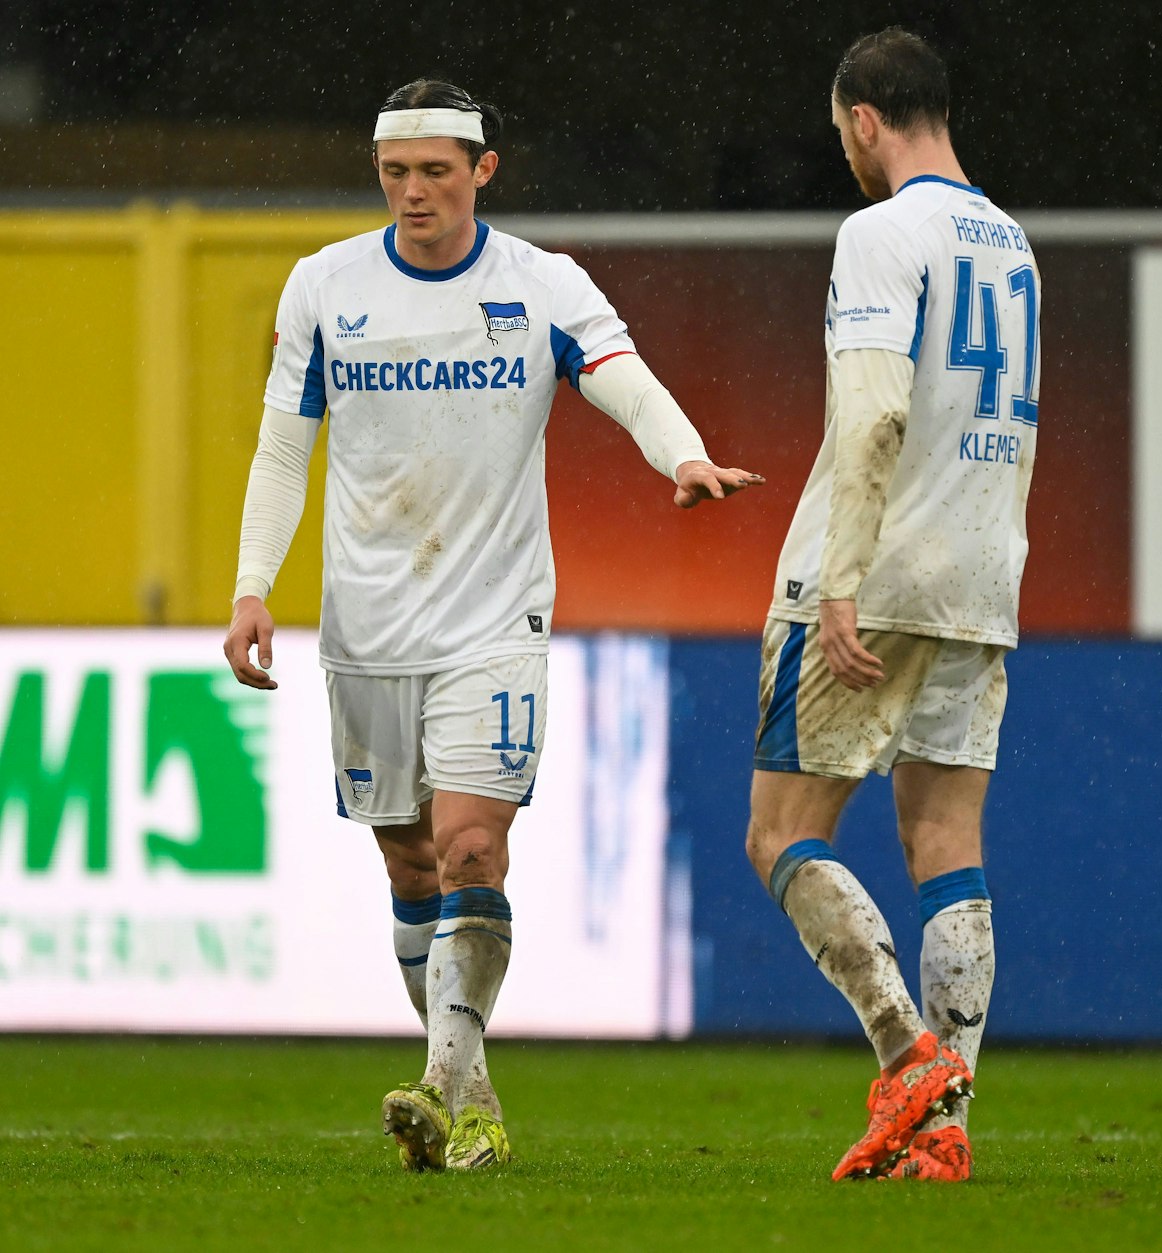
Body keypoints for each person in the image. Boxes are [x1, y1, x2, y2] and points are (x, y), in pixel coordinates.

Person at [220, 78, 760, 1172]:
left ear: (482, 171)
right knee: (412, 868)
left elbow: (622, 375)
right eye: (393, 173)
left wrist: (685, 453)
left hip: (493, 618)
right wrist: (250, 584)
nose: (413, 192)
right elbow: (285, 447)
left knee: (472, 845)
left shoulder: (542, 284)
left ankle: (433, 1081)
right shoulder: (325, 285)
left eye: (434, 171)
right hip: (366, 625)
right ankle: (471, 1098)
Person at [744, 27, 1040, 1183]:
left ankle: (904, 1049)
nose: (844, 155)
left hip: (879, 563)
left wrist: (843, 578)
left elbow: (870, 415)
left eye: (840, 135)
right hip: (980, 567)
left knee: (779, 830)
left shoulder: (878, 231)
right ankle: (947, 1127)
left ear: (863, 119)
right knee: (945, 841)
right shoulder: (1010, 242)